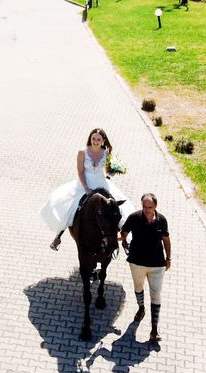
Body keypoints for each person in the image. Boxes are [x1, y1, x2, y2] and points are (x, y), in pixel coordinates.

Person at [41, 128, 134, 250]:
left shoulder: (106, 153)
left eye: (98, 139)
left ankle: (124, 239)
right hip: (85, 183)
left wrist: (113, 171)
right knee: (73, 206)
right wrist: (86, 188)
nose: (95, 141)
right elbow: (80, 171)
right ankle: (58, 235)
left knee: (115, 207)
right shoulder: (82, 152)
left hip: (101, 183)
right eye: (93, 138)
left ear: (103, 140)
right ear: (90, 138)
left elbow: (107, 171)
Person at [119, 193, 171, 343]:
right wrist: (110, 236)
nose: (147, 210)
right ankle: (141, 308)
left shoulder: (162, 220)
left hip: (157, 264)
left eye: (150, 207)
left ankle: (154, 329)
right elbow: (123, 234)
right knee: (138, 287)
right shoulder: (134, 217)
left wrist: (168, 258)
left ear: (155, 206)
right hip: (137, 262)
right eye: (144, 207)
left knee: (156, 294)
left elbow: (166, 239)